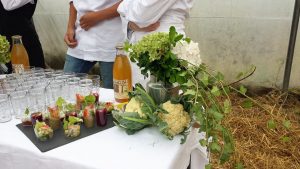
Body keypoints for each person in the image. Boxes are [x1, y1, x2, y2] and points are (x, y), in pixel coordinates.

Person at [117, 0, 194, 86]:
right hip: (139, 53)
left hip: (165, 50)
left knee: (165, 94)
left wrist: (125, 7)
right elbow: (129, 15)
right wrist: (130, 24)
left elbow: (141, 14)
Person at [63, 0, 124, 89]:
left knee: (113, 94)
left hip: (112, 37)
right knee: (66, 87)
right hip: (80, 37)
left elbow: (129, 2)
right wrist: (70, 27)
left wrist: (98, 16)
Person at [0, 0, 46, 72]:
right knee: (14, 71)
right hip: (8, 31)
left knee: (35, 68)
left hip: (23, 30)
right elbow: (8, 5)